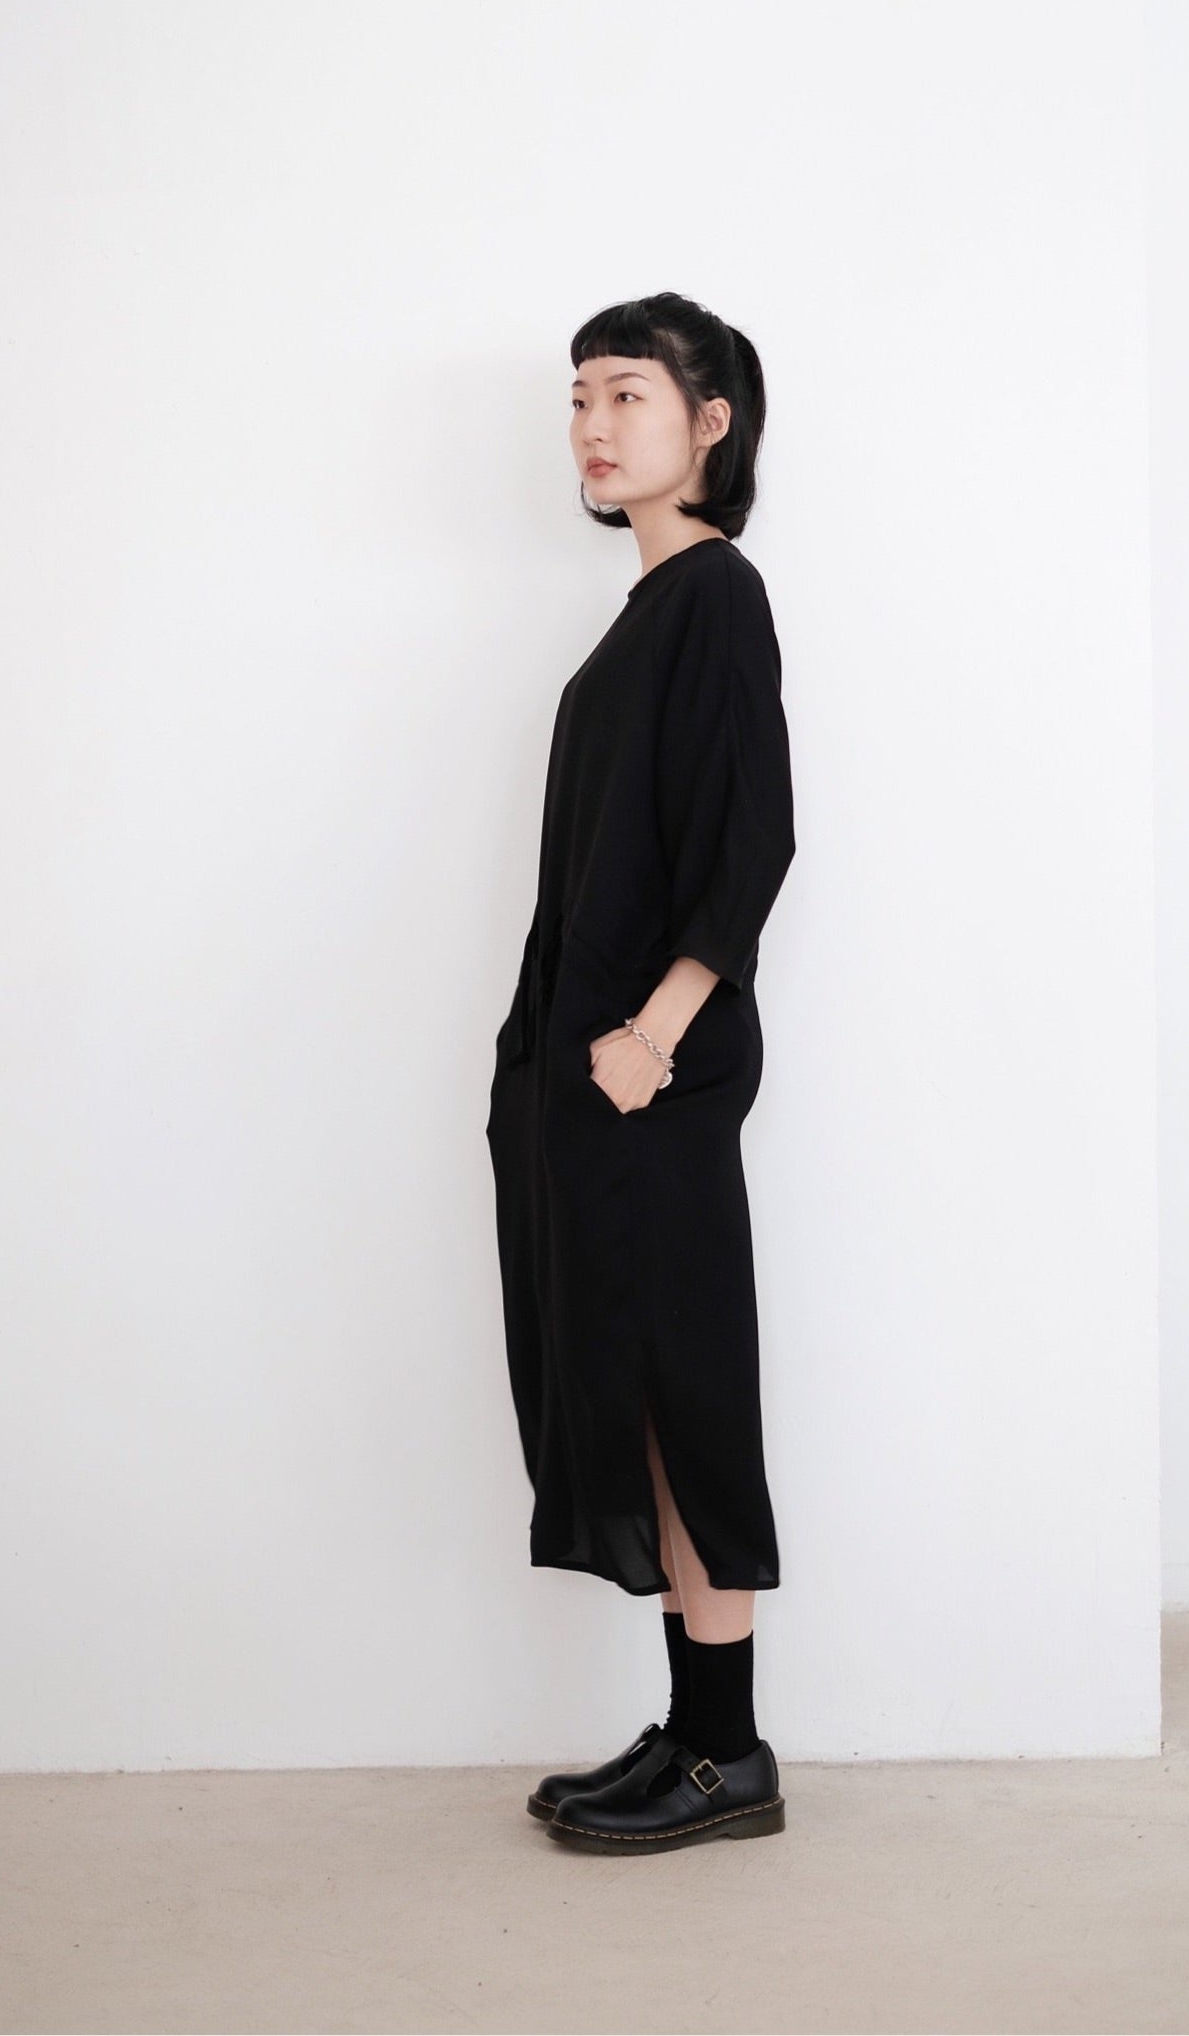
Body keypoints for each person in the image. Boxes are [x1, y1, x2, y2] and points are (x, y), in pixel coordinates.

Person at [484, 291, 797, 1855]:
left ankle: (730, 1754)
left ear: (709, 421)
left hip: (649, 1075)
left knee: (688, 1392)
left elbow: (754, 840)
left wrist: (655, 1032)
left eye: (626, 394)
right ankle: (694, 1732)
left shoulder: (717, 594)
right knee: (644, 1395)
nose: (593, 427)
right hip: (598, 1077)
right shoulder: (650, 608)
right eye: (578, 399)